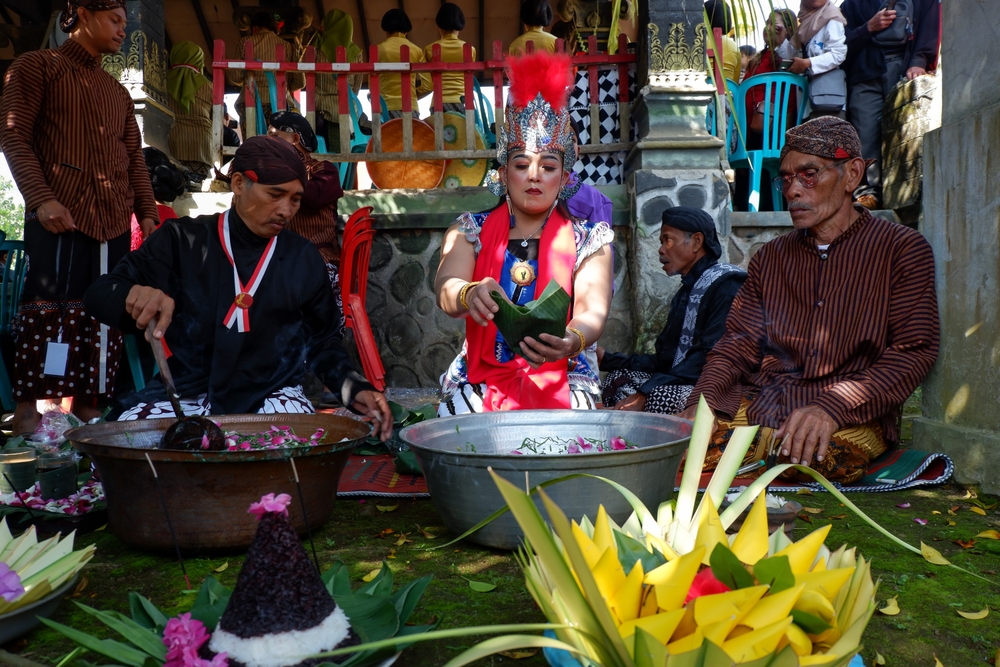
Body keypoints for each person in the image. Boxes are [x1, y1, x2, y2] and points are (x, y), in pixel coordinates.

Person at [678, 117, 939, 484]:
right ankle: (755, 445)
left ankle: (754, 448)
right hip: (764, 400)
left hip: (848, 413)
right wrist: (701, 402)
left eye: (809, 174)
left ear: (852, 174)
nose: (793, 190)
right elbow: (737, 343)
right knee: (681, 441)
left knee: (819, 457)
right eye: (785, 178)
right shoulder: (770, 257)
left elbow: (914, 350)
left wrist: (832, 406)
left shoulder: (902, 249)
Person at [82, 136, 393, 436]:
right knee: (133, 445)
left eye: (295, 199)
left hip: (273, 395)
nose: (286, 210)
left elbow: (323, 342)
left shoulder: (303, 258)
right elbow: (98, 293)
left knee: (286, 455)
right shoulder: (182, 240)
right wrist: (131, 294)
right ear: (239, 184)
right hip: (188, 393)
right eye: (275, 194)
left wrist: (354, 387)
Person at [0, 0, 158, 435]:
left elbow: (135, 161)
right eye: (114, 20)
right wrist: (41, 198)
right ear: (83, 14)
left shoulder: (118, 92)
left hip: (112, 219)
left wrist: (145, 211)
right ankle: (29, 407)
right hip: (59, 213)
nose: (123, 30)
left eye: (125, 22)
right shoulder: (37, 67)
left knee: (103, 312)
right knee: (47, 305)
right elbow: (13, 134)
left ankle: (89, 405)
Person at [435, 51, 613, 414]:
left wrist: (571, 339)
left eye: (548, 167)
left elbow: (592, 311)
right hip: (482, 373)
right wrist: (469, 293)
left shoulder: (590, 239)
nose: (534, 176)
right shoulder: (470, 230)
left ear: (564, 179)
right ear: (502, 174)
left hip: (564, 368)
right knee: (460, 421)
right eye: (521, 165)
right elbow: (446, 287)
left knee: (571, 423)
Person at [599, 207, 745, 414]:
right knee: (618, 379)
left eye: (667, 240)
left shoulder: (728, 285)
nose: (661, 249)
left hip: (719, 386)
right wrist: (607, 359)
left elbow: (708, 357)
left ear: (696, 241)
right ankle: (627, 443)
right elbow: (666, 361)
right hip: (685, 378)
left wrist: (645, 392)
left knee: (659, 398)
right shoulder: (686, 292)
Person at [841, 0, 940, 209]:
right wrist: (867, 28)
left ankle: (906, 192)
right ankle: (868, 194)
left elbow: (929, 29)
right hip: (865, 73)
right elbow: (841, 46)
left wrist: (919, 61)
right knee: (865, 134)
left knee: (905, 132)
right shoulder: (850, 4)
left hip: (904, 67)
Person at [267, 111, 345, 333]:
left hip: (319, 262)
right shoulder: (272, 174)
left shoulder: (324, 170)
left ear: (294, 139)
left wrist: (280, 173)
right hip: (281, 264)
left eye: (274, 136)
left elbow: (314, 196)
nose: (268, 141)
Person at [734, 9, 798, 212]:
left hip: (772, 126)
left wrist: (783, 40)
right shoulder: (758, 58)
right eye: (767, 23)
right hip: (750, 125)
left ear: (788, 30)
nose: (768, 28)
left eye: (775, 24)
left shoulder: (786, 56)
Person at [228, 11, 305, 135]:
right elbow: (299, 82)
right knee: (278, 146)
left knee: (254, 146)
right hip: (280, 104)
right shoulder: (290, 48)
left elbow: (235, 76)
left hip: (250, 104)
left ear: (254, 28)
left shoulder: (245, 42)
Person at [776, 0, 847, 119]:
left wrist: (807, 63)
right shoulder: (805, 23)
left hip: (828, 99)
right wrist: (781, 39)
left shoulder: (831, 17)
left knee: (827, 136)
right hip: (808, 100)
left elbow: (838, 54)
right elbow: (793, 55)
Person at [313, 9, 365, 153]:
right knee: (347, 157)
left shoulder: (317, 50)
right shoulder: (356, 52)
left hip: (322, 110)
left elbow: (311, 80)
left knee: (325, 154)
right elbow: (356, 87)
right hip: (348, 112)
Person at [167, 41, 215, 180]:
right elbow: (215, 118)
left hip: (171, 145)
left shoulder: (161, 81)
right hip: (201, 147)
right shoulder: (210, 86)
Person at [376, 9, 431, 118]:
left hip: (385, 109)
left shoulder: (379, 49)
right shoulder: (416, 50)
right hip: (411, 108)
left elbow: (373, 85)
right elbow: (429, 85)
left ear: (386, 30)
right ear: (406, 31)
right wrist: (414, 95)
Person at [424, 3, 477, 115]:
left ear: (439, 26)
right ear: (460, 27)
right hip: (463, 102)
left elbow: (428, 83)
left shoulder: (429, 49)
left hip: (439, 103)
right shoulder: (470, 50)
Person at [704, 0, 741, 82]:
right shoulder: (734, 46)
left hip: (704, 92)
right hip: (728, 93)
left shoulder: (698, 43)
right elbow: (735, 81)